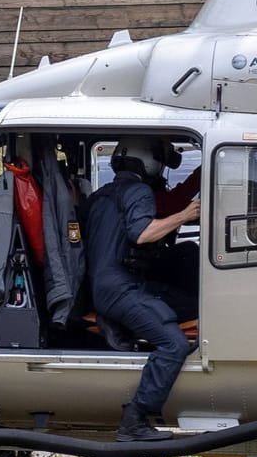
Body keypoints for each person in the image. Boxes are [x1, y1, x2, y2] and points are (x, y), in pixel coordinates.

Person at [82, 137, 202, 441]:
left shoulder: (102, 195)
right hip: (121, 289)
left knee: (189, 272)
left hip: (109, 284)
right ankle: (135, 419)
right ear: (149, 162)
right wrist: (185, 216)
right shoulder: (138, 191)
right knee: (174, 344)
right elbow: (142, 234)